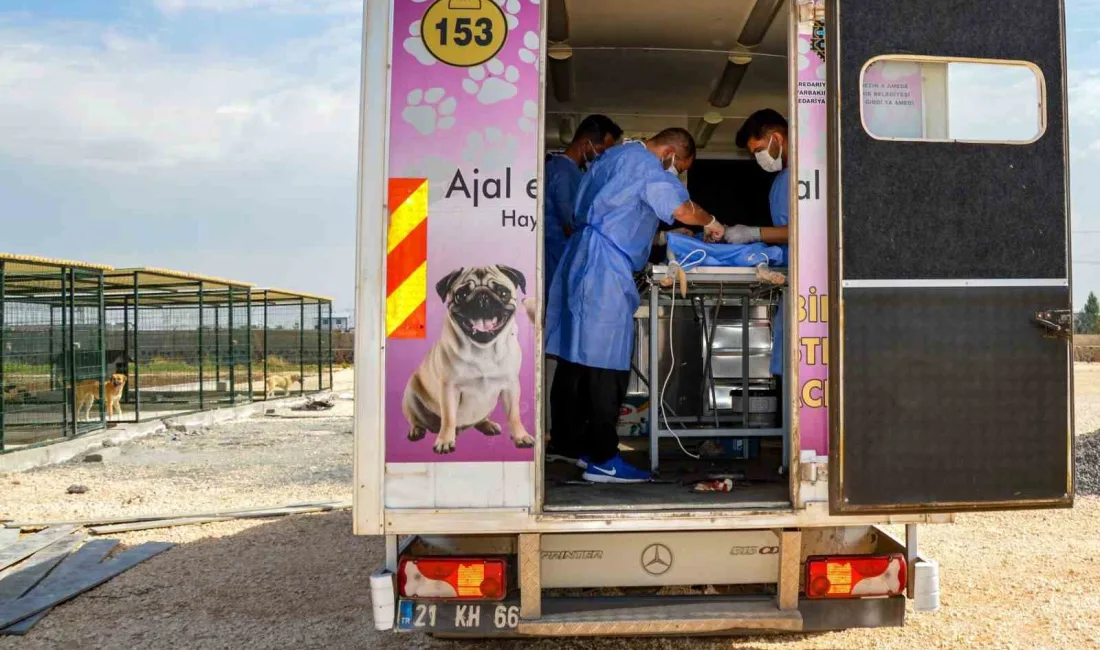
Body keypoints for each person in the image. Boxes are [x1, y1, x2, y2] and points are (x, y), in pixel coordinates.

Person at [545, 128, 726, 483]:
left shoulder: (613, 158)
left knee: (577, 358)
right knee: (606, 361)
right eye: (680, 167)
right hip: (604, 267)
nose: (676, 173)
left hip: (582, 258)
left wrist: (658, 237)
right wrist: (712, 221)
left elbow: (617, 214)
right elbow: (683, 210)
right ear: (672, 153)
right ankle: (603, 458)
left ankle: (573, 445)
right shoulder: (646, 166)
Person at [723, 109, 790, 381]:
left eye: (759, 149)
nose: (758, 158)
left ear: (777, 137)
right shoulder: (782, 180)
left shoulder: (808, 174)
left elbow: (806, 231)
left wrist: (752, 233)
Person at [544, 115, 623, 299]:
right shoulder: (563, 173)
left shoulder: (574, 173)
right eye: (602, 151)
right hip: (555, 261)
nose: (604, 158)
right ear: (586, 145)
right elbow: (572, 226)